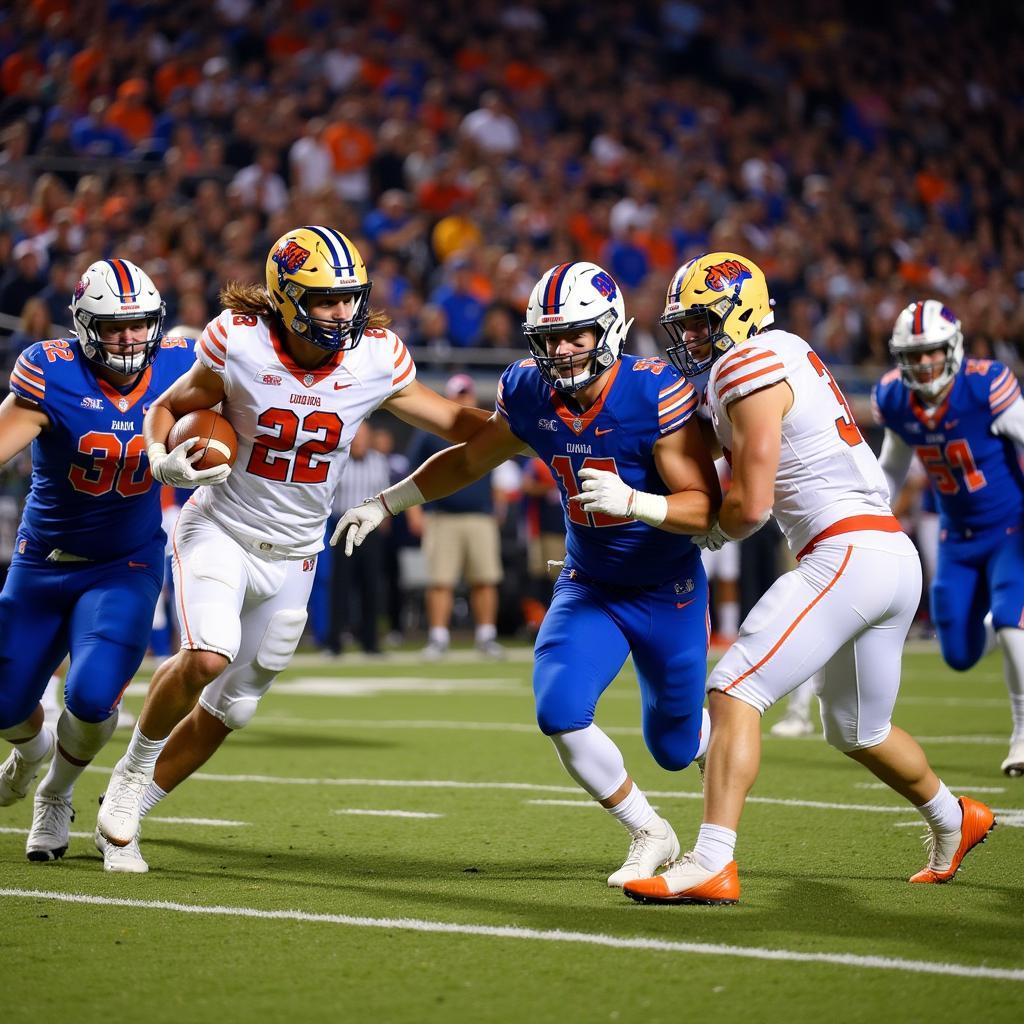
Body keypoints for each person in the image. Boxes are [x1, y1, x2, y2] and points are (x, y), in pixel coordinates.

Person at [96, 226, 489, 865]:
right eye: (325, 299)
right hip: (222, 527)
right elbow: (167, 408)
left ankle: (133, 806)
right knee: (205, 656)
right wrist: (161, 460)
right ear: (285, 297)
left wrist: (525, 432)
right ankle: (131, 772)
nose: (342, 312)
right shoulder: (240, 342)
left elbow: (453, 420)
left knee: (236, 708)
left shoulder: (376, 357)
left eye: (349, 298)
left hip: (298, 553)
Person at [621, 252, 995, 905]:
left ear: (738, 312)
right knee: (856, 729)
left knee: (733, 688)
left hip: (843, 550)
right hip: (885, 553)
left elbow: (751, 505)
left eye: (702, 321)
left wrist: (674, 520)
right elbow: (692, 451)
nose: (690, 337)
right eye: (684, 325)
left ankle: (711, 861)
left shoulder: (748, 363)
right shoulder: (778, 354)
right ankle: (954, 818)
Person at [334, 261, 721, 887]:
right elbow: (470, 460)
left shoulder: (654, 389)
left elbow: (706, 505)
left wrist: (636, 503)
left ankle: (714, 788)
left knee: (675, 747)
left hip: (665, 587)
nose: (561, 351)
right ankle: (649, 831)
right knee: (559, 708)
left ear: (610, 330)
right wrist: (387, 502)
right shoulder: (527, 389)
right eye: (550, 338)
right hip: (589, 584)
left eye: (576, 336)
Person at [0, 259, 204, 871]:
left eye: (140, 324)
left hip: (125, 565)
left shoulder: (180, 364)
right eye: (114, 327)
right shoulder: (50, 370)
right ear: (84, 327)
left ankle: (56, 793)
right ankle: (32, 752)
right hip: (42, 562)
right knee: (5, 702)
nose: (129, 338)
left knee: (90, 697)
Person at [873, 299, 1024, 777]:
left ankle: (1022, 731)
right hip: (957, 537)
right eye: (913, 355)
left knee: (1007, 617)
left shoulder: (985, 386)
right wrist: (869, 510)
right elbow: (892, 467)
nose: (922, 363)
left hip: (1011, 527)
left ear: (953, 348)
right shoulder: (896, 397)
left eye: (931, 352)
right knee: (957, 653)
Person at [407, 373, 505, 659]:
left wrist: (498, 506)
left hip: (479, 516)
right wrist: (414, 512)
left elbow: (500, 468)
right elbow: (411, 472)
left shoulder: (488, 427)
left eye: (467, 394)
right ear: (450, 397)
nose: (463, 399)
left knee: (485, 578)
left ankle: (487, 636)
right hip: (442, 516)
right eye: (458, 394)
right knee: (440, 580)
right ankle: (438, 637)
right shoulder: (431, 430)